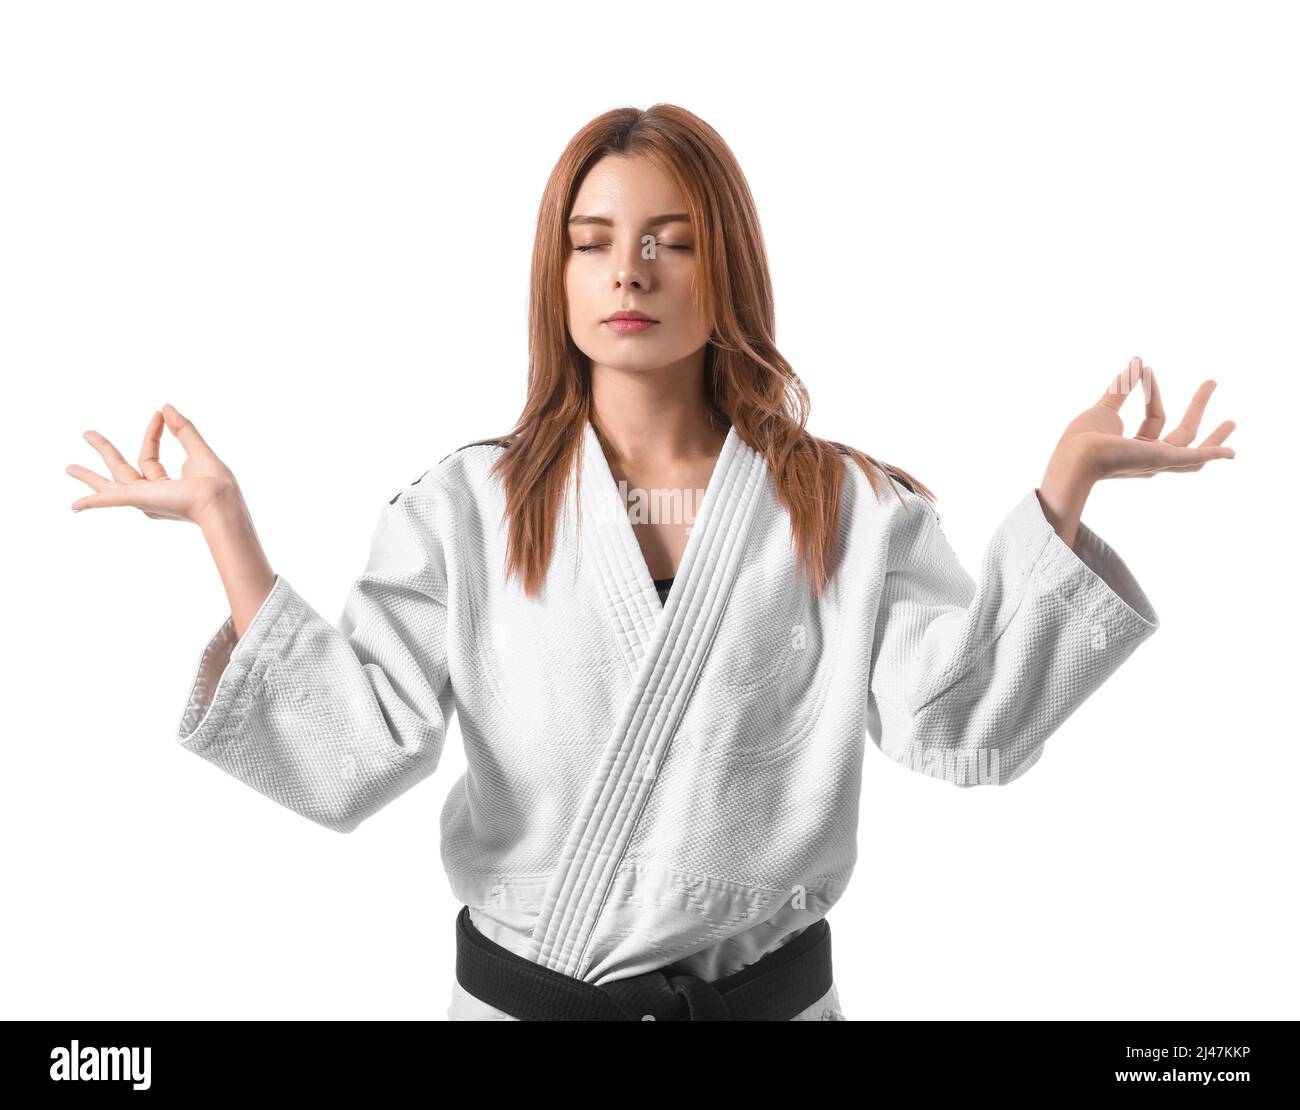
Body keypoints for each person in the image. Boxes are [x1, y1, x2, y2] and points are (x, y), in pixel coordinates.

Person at [66, 104, 1236, 1021]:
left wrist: (1063, 488)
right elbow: (348, 758)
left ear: (722, 268)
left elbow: (965, 726)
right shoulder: (462, 509)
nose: (628, 272)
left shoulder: (846, 508)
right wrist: (226, 525)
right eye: (593, 243)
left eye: (669, 243)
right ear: (558, 276)